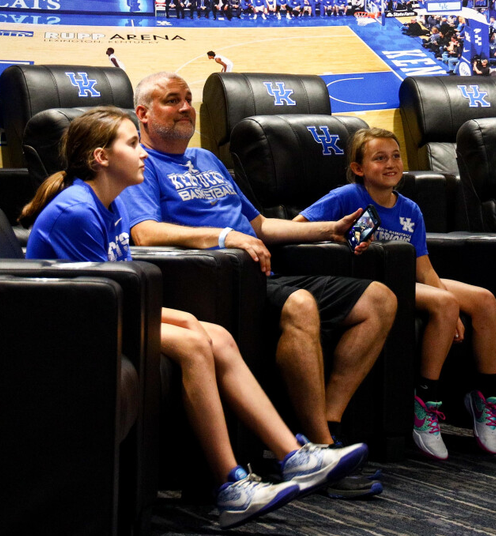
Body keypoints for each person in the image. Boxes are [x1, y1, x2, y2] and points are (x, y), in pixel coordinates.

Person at [20, 107, 367, 528]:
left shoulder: (107, 206)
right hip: (69, 328)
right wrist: (182, 324)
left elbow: (119, 288)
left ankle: (294, 456)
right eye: (132, 144)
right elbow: (99, 300)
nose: (142, 154)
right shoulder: (76, 211)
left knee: (215, 334)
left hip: (101, 312)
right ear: (101, 157)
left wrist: (183, 318)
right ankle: (232, 485)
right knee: (191, 341)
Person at [116, 72, 396, 499]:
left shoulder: (208, 160)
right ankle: (321, 452)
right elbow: (145, 234)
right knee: (301, 303)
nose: (186, 107)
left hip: (261, 273)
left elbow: (260, 225)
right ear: (144, 114)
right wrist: (226, 239)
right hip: (212, 283)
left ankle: (328, 427)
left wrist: (328, 230)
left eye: (188, 99)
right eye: (172, 101)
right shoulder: (141, 164)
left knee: (379, 299)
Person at [297, 128, 496, 460]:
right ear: (359, 168)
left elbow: (423, 268)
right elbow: (297, 226)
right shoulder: (346, 197)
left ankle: (485, 397)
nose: (391, 163)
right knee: (445, 302)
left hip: (409, 278)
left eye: (395, 156)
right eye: (379, 158)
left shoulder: (411, 209)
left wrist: (445, 302)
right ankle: (425, 403)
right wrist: (336, 242)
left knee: (484, 300)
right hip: (374, 282)